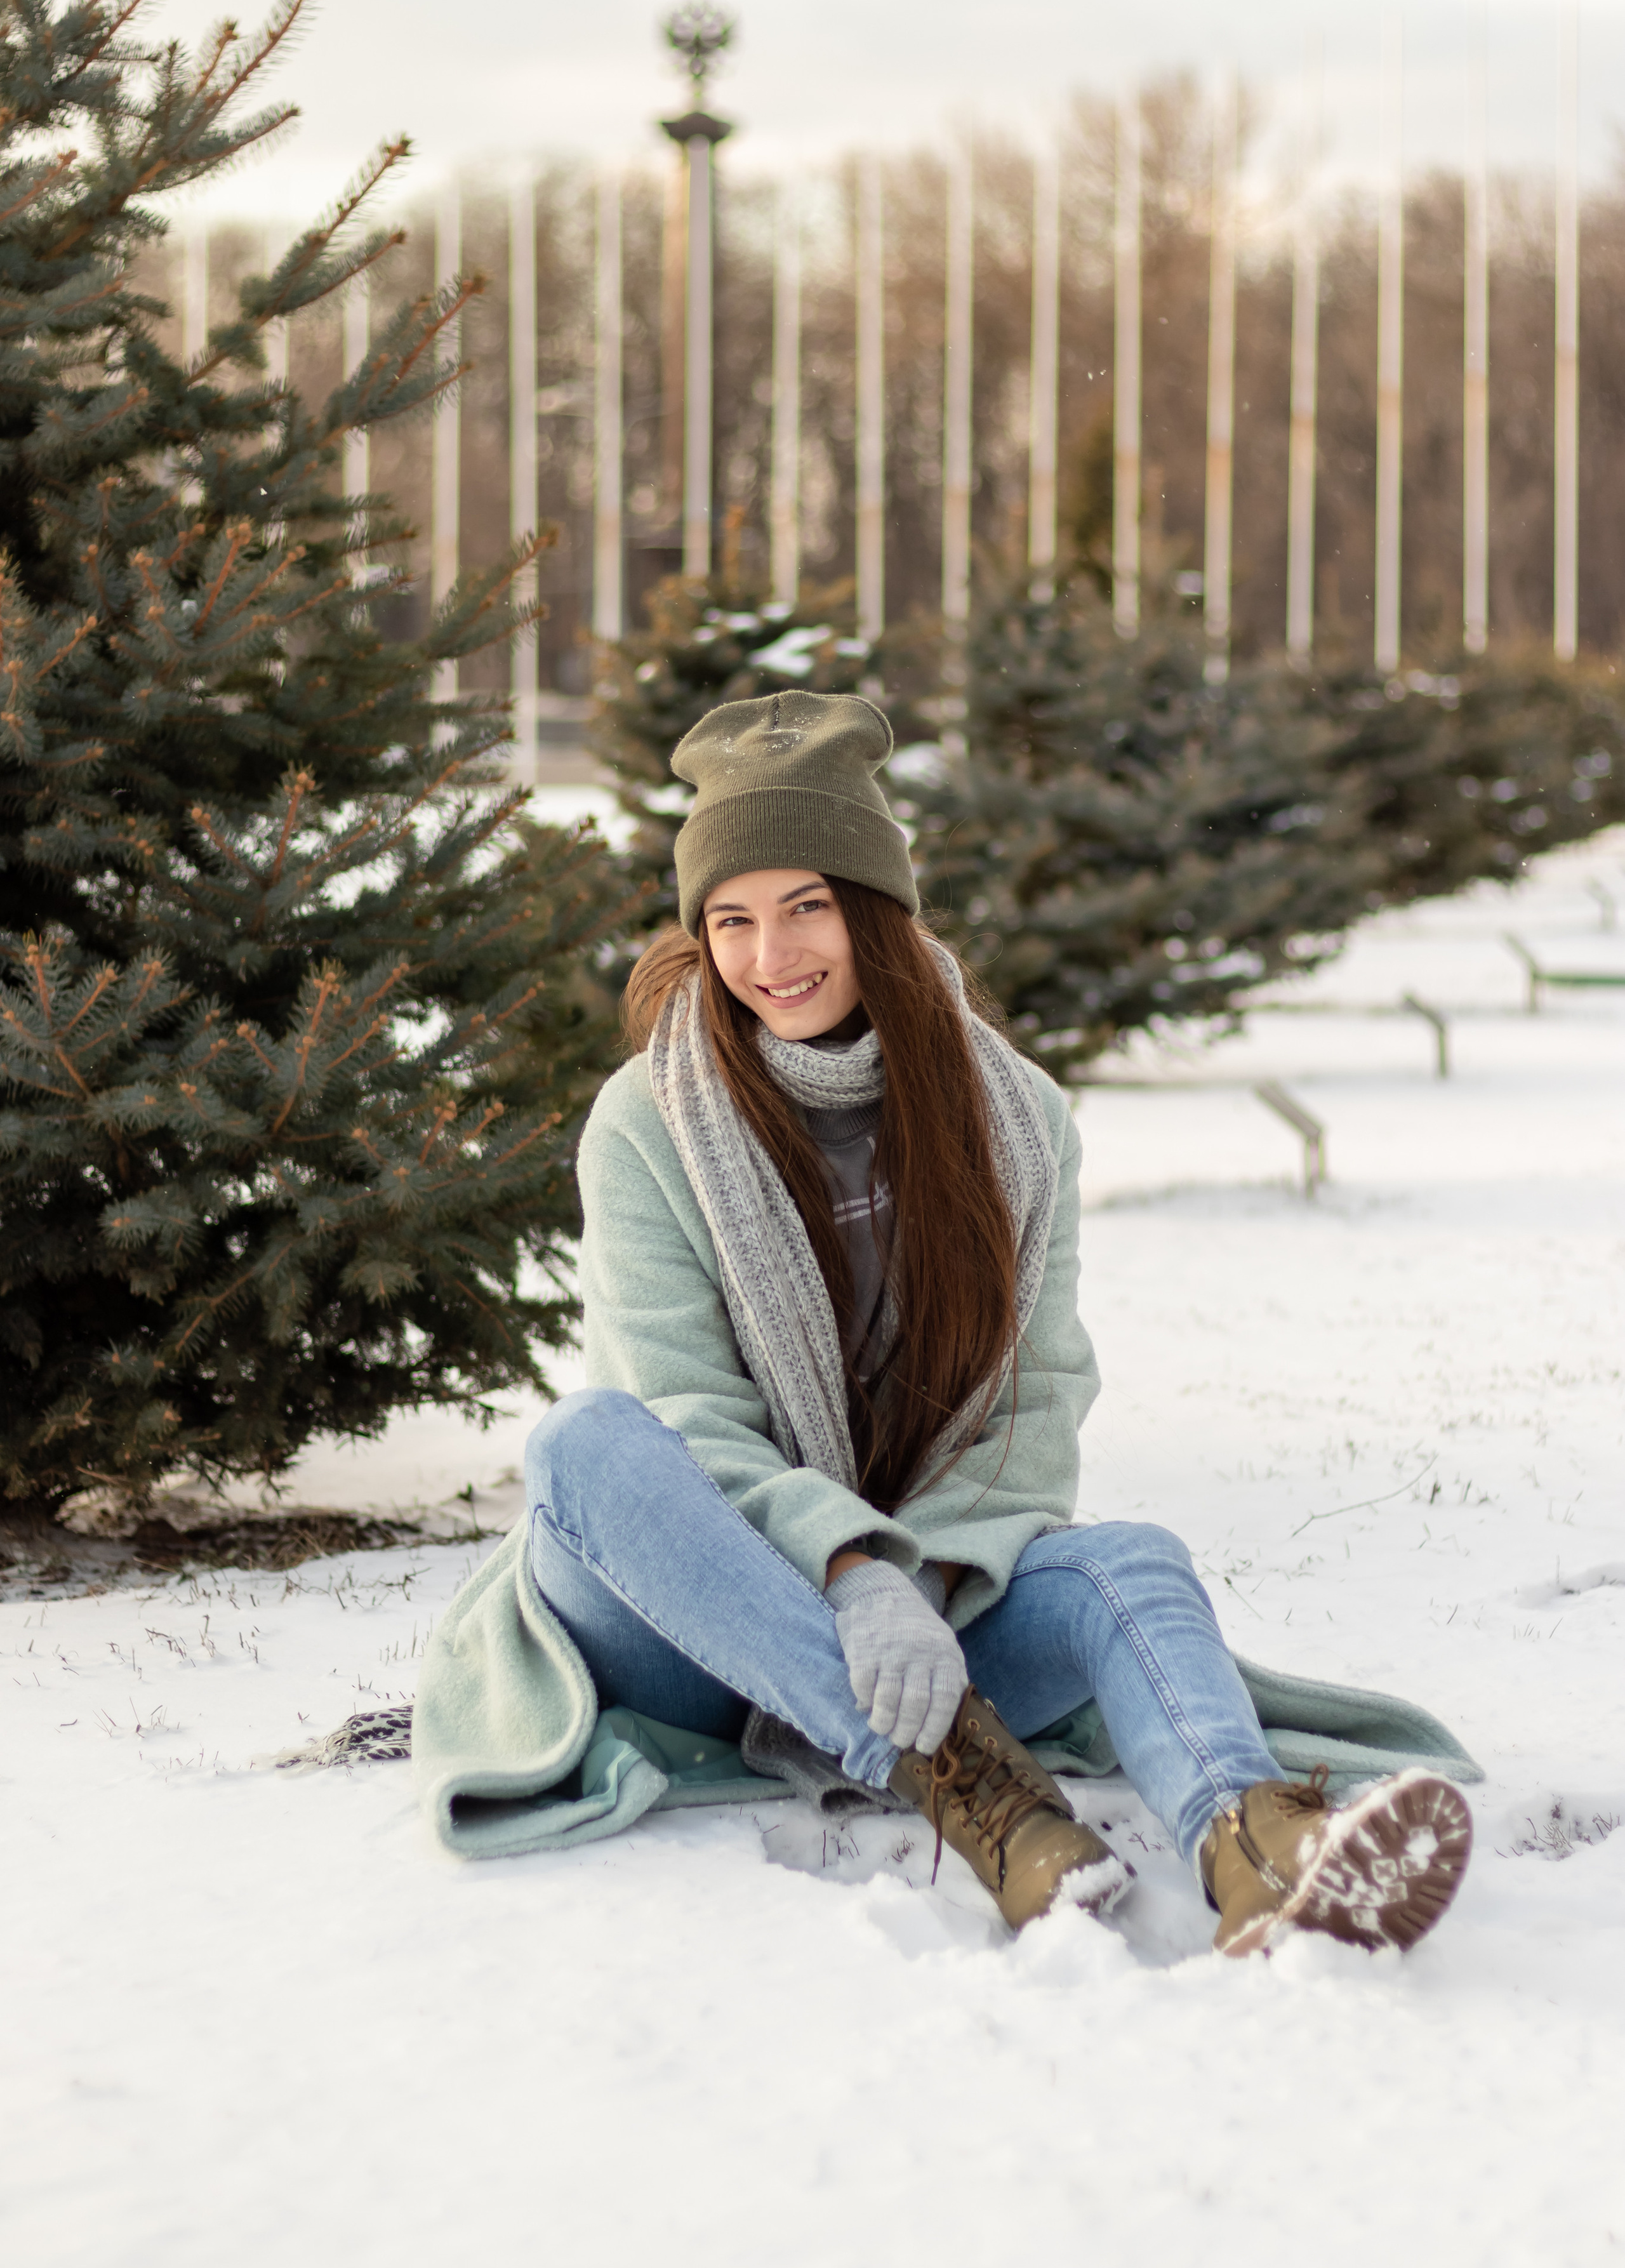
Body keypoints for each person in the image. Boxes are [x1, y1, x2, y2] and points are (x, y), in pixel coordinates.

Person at [522, 690, 1473, 1955]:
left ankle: (1256, 1842)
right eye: (731, 920)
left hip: (935, 1617)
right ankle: (988, 1803)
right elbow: (685, 1412)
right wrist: (850, 1575)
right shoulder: (647, 1123)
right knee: (586, 1442)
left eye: (807, 905)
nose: (770, 955)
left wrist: (916, 1586)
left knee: (1127, 1561)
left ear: (876, 909)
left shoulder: (1016, 1120)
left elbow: (1032, 1407)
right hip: (688, 1626)